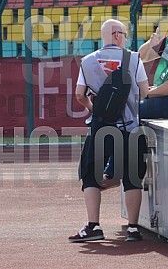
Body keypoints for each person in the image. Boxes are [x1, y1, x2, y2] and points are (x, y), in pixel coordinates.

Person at [69, 19, 149, 243]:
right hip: (131, 127)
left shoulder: (87, 61)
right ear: (117, 35)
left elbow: (79, 94)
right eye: (124, 33)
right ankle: (133, 229)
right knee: (133, 177)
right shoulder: (133, 58)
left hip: (102, 127)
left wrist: (95, 109)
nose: (126, 37)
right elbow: (144, 91)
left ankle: (93, 226)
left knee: (90, 175)